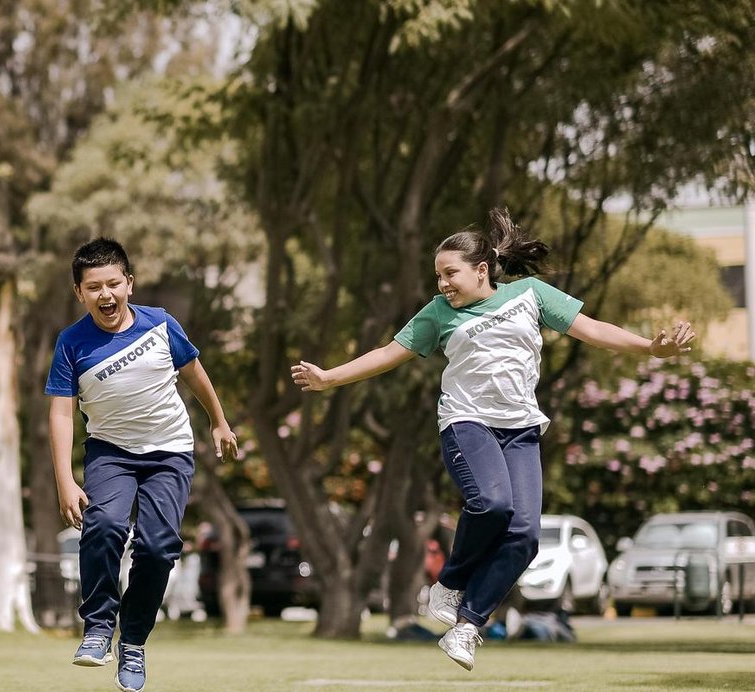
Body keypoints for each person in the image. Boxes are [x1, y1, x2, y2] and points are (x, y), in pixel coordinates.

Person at [290, 208, 695, 671]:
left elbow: (594, 330)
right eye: (438, 275)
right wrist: (329, 378)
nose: (443, 283)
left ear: (482, 270)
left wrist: (649, 347)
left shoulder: (531, 295)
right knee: (492, 504)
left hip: (520, 429)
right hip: (467, 422)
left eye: (451, 273)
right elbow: (387, 353)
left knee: (524, 535)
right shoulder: (437, 313)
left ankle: (467, 626)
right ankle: (449, 584)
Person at [47, 237, 240, 692]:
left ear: (129, 284)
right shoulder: (71, 342)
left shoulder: (160, 324)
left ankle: (132, 642)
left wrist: (218, 421)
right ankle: (97, 628)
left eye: (113, 283)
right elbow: (60, 412)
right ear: (80, 293)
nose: (105, 294)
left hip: (169, 452)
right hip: (110, 453)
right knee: (104, 526)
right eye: (93, 287)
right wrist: (64, 480)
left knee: (158, 547)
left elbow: (194, 371)